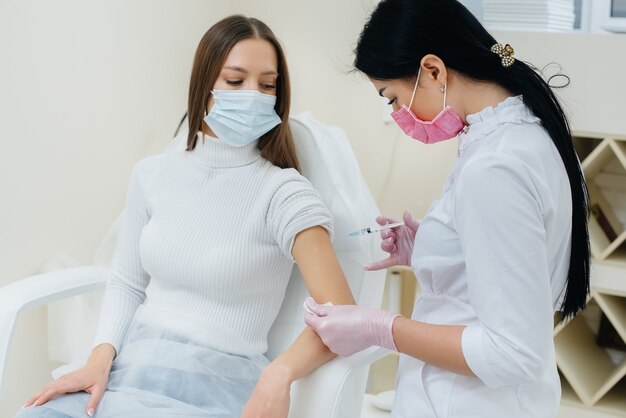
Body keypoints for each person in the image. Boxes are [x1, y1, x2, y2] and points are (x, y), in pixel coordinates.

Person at [17, 15, 355, 418]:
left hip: (217, 384)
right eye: (235, 81)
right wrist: (97, 360)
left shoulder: (284, 193)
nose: (254, 96)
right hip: (130, 365)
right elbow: (126, 282)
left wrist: (278, 375)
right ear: (204, 84)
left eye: (267, 85)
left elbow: (343, 316)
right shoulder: (152, 174)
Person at [305, 1, 590, 417]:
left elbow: (512, 353)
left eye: (392, 99)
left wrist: (379, 327)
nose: (398, 115)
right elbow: (512, 267)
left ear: (433, 71)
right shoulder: (522, 134)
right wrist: (436, 249)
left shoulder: (495, 166)